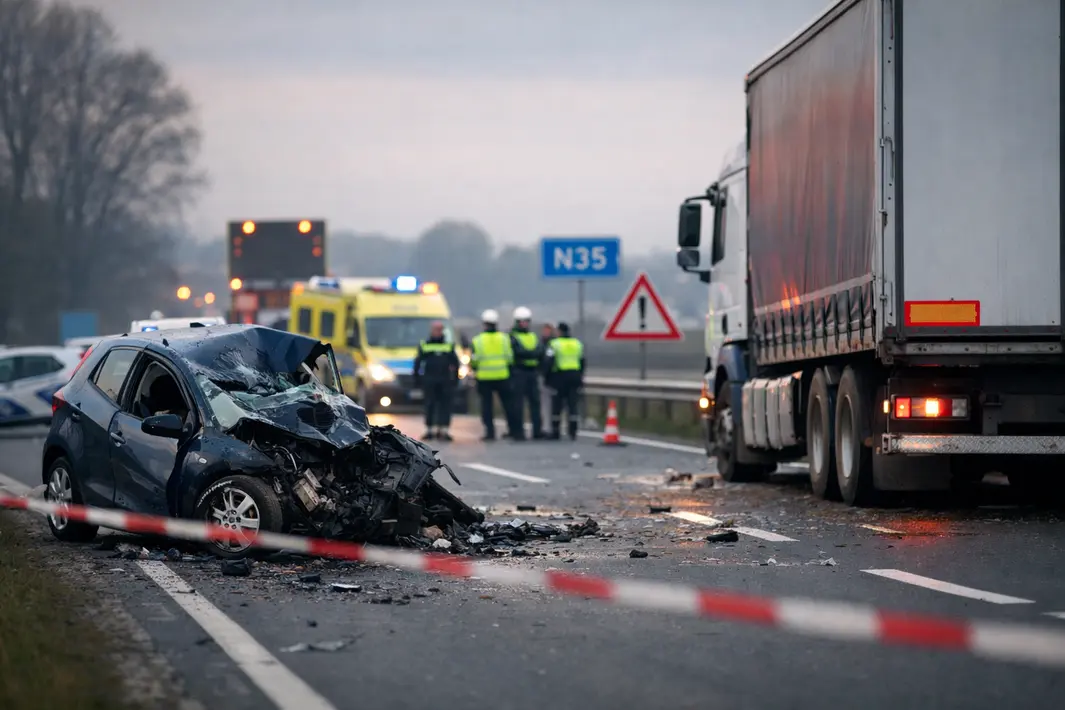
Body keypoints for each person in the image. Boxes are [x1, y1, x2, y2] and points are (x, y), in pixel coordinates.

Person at [470, 309, 523, 441]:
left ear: (484, 324)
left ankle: (490, 432)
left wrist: (476, 368)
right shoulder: (504, 339)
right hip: (502, 376)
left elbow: (474, 360)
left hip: (484, 377)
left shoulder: (478, 340)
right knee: (509, 405)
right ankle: (515, 431)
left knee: (487, 407)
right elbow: (510, 358)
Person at [413, 320, 460, 441]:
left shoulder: (449, 345)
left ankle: (444, 430)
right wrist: (417, 378)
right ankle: (430, 430)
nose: (438, 332)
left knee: (445, 405)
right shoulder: (425, 345)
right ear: (431, 330)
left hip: (445, 380)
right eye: (435, 329)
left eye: (440, 329)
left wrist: (455, 379)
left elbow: (455, 363)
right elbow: (418, 362)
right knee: (430, 405)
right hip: (430, 380)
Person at [508, 306, 545, 439]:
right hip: (519, 372)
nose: (524, 324)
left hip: (532, 373)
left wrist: (529, 354)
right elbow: (518, 353)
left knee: (535, 402)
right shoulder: (512, 337)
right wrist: (531, 354)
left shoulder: (533, 336)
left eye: (526, 321)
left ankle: (537, 431)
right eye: (522, 321)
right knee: (518, 404)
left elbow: (540, 351)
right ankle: (518, 432)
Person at [544, 322, 585, 441]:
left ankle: (556, 431)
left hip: (560, 377)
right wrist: (580, 377)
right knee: (573, 406)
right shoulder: (577, 344)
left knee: (557, 406)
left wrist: (547, 378)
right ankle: (573, 431)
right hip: (575, 376)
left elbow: (548, 361)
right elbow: (582, 361)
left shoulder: (554, 344)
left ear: (559, 332)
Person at [538, 322, 556, 430]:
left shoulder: (553, 344)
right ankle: (546, 426)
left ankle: (551, 426)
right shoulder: (540, 343)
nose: (545, 333)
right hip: (544, 377)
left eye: (547, 330)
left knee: (552, 404)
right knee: (545, 403)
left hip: (553, 377)